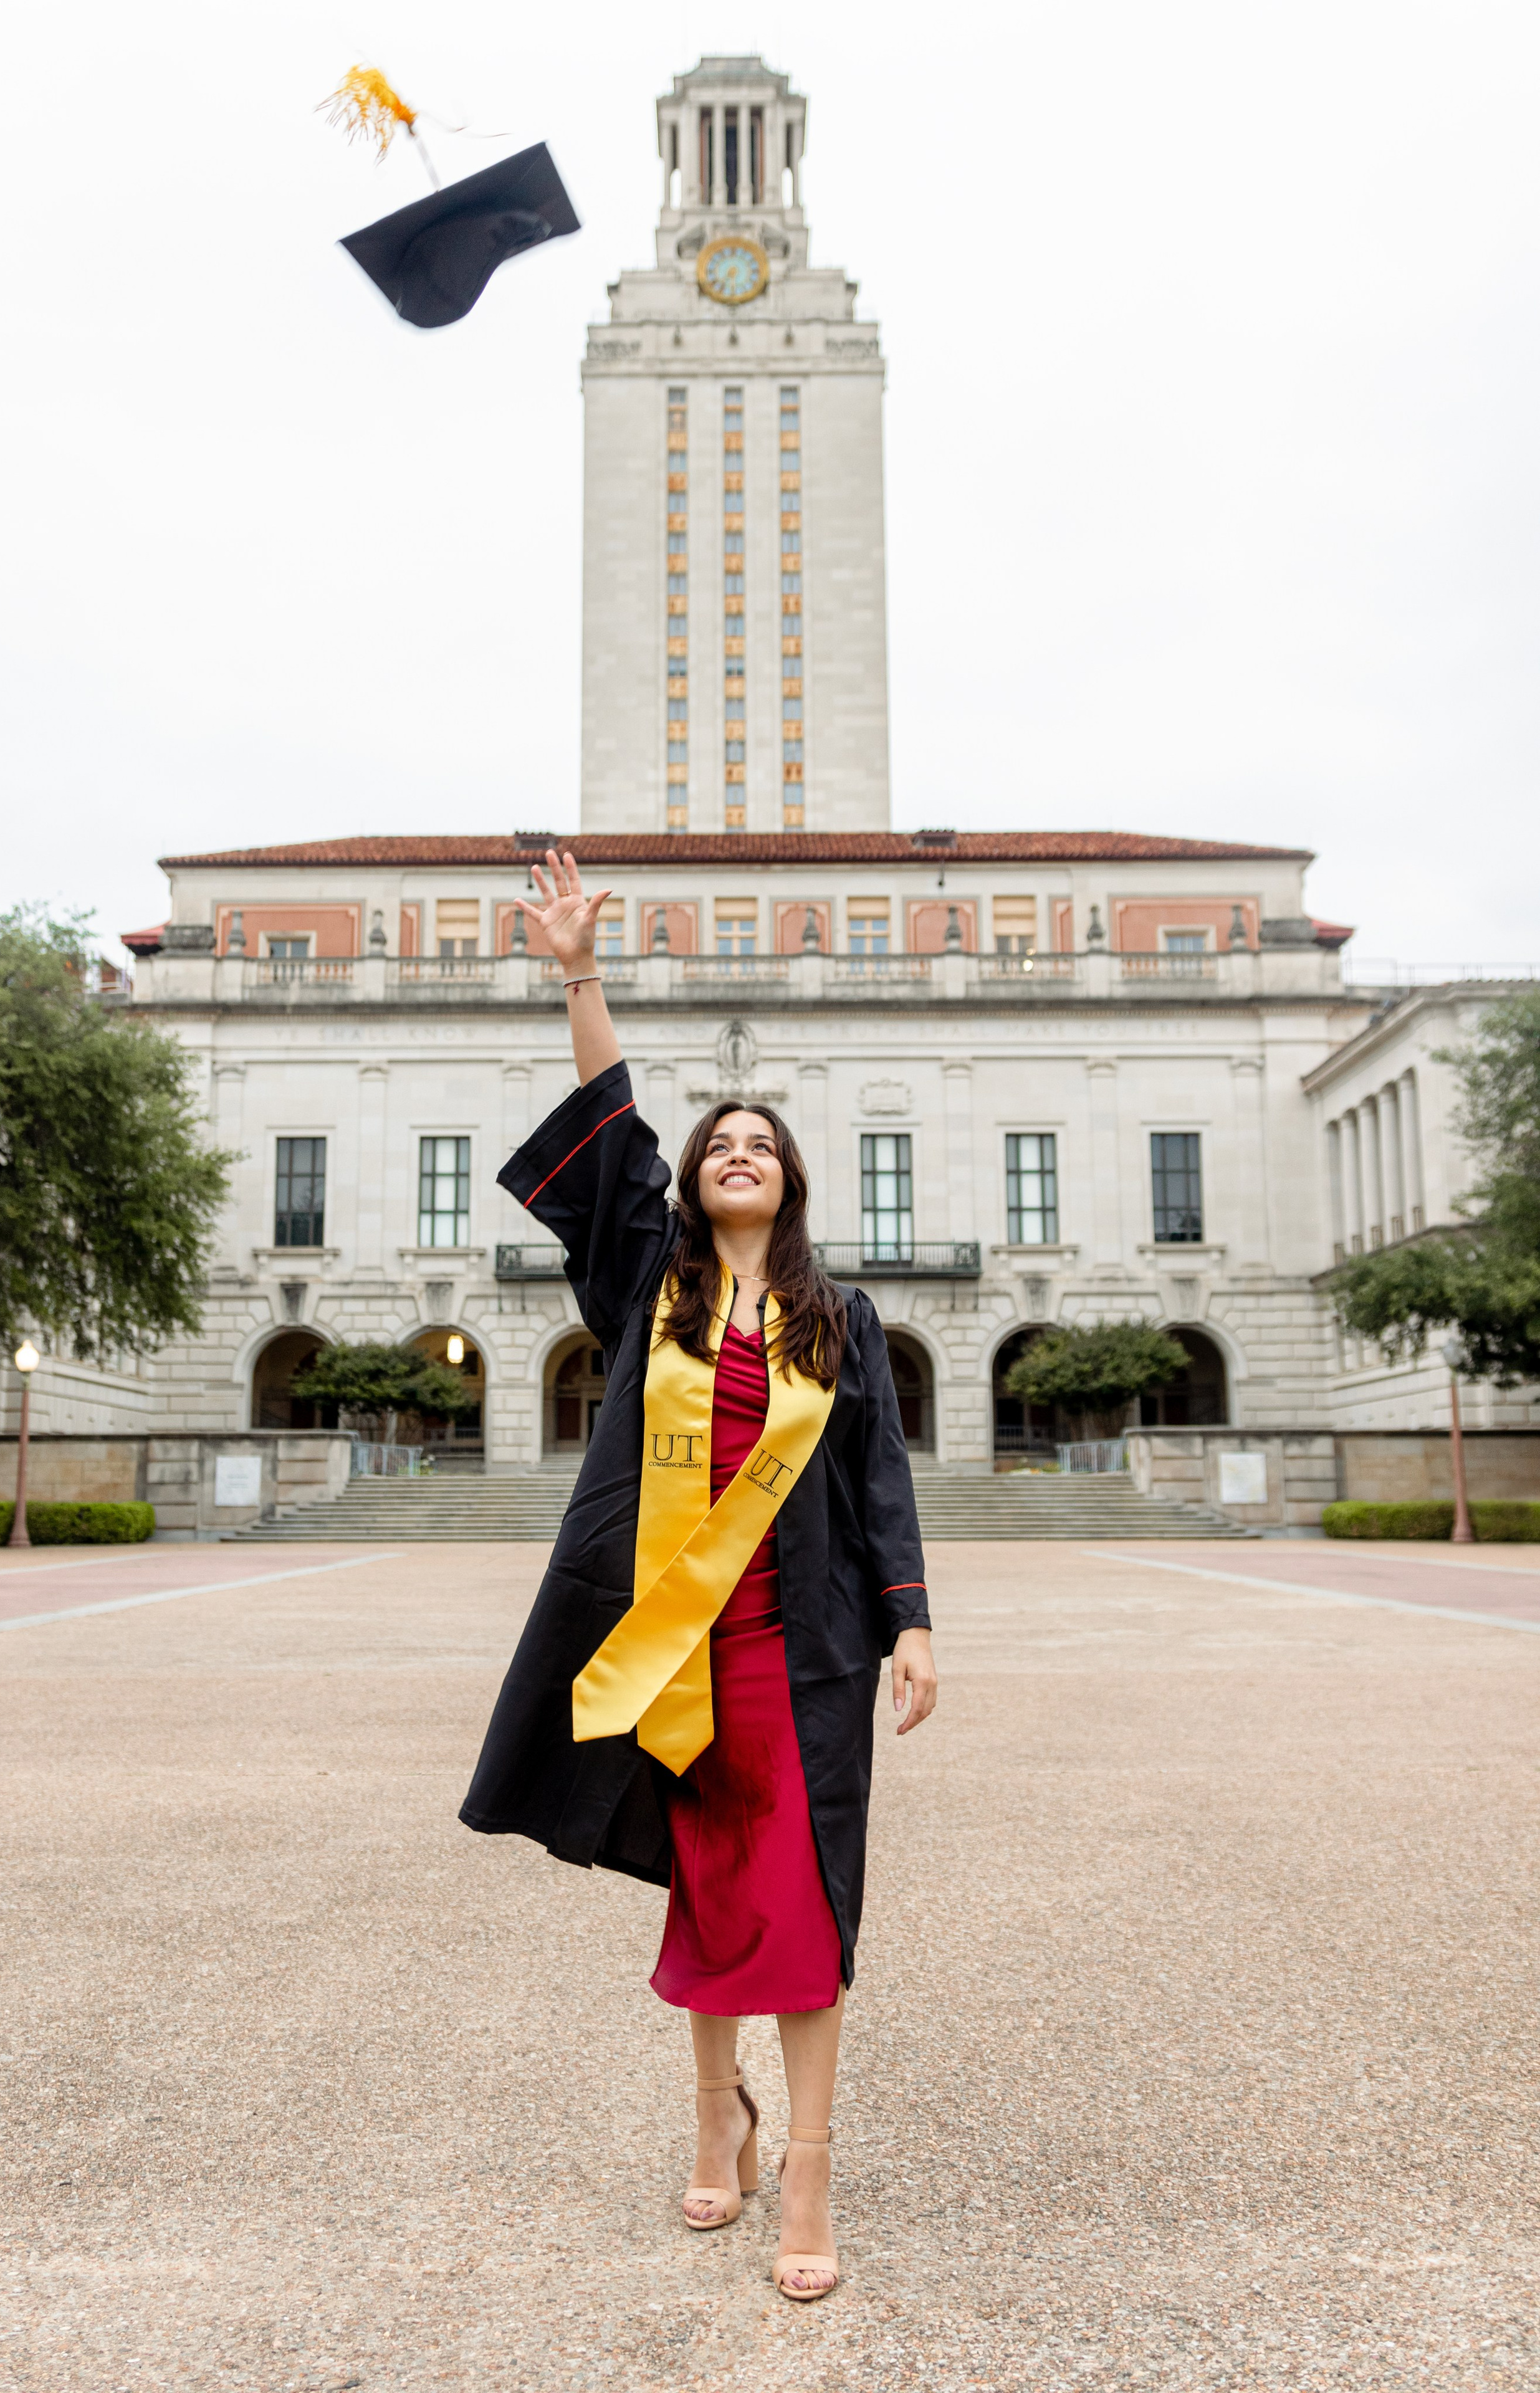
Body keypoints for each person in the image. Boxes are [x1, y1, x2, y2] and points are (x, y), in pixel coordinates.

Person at [461, 850, 937, 2303]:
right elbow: (611, 1143)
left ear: (789, 1178)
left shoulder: (837, 1318)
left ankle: (805, 2168)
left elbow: (874, 1486)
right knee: (710, 1897)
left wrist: (911, 1626)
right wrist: (577, 975)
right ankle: (709, 2116)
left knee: (798, 1899)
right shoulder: (650, 1291)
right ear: (695, 1178)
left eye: (759, 1141)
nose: (734, 1149)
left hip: (802, 1655)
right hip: (669, 1644)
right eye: (714, 1140)